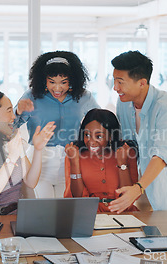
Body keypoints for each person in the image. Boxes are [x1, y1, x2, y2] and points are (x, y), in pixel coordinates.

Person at [108, 50, 167, 213]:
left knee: (165, 230)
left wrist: (138, 188)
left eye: (120, 82)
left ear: (142, 83)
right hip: (143, 178)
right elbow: (128, 143)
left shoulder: (165, 106)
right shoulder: (123, 102)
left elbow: (162, 154)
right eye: (114, 81)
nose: (115, 88)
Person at [15, 51, 99, 198]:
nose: (57, 88)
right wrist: (18, 111)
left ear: (72, 80)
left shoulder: (84, 97)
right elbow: (10, 128)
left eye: (63, 82)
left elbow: (99, 122)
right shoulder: (31, 96)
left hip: (70, 160)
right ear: (44, 80)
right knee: (44, 210)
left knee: (64, 211)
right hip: (39, 160)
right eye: (52, 82)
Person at [64, 108, 139, 212]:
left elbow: (127, 196)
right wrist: (74, 163)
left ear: (110, 136)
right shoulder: (74, 154)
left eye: (98, 136)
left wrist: (122, 163)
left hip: (122, 212)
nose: (91, 142)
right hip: (88, 212)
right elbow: (77, 196)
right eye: (87, 135)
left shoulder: (126, 152)